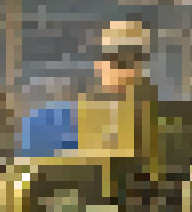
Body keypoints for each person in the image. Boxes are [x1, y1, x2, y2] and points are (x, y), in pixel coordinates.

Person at [16, 20, 149, 159]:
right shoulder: (48, 121)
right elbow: (24, 168)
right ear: (98, 62)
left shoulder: (151, 123)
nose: (130, 73)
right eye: (119, 60)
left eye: (137, 60)